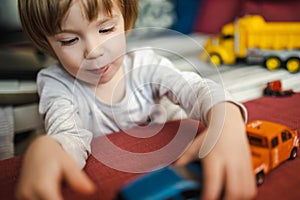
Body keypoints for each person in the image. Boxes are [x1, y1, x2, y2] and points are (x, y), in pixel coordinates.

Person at [16, 0, 257, 199]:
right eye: (69, 40)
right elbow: (67, 135)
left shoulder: (146, 65)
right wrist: (47, 146)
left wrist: (226, 122)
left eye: (106, 29)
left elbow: (198, 90)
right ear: (46, 43)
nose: (94, 51)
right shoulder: (57, 84)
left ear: (126, 19)